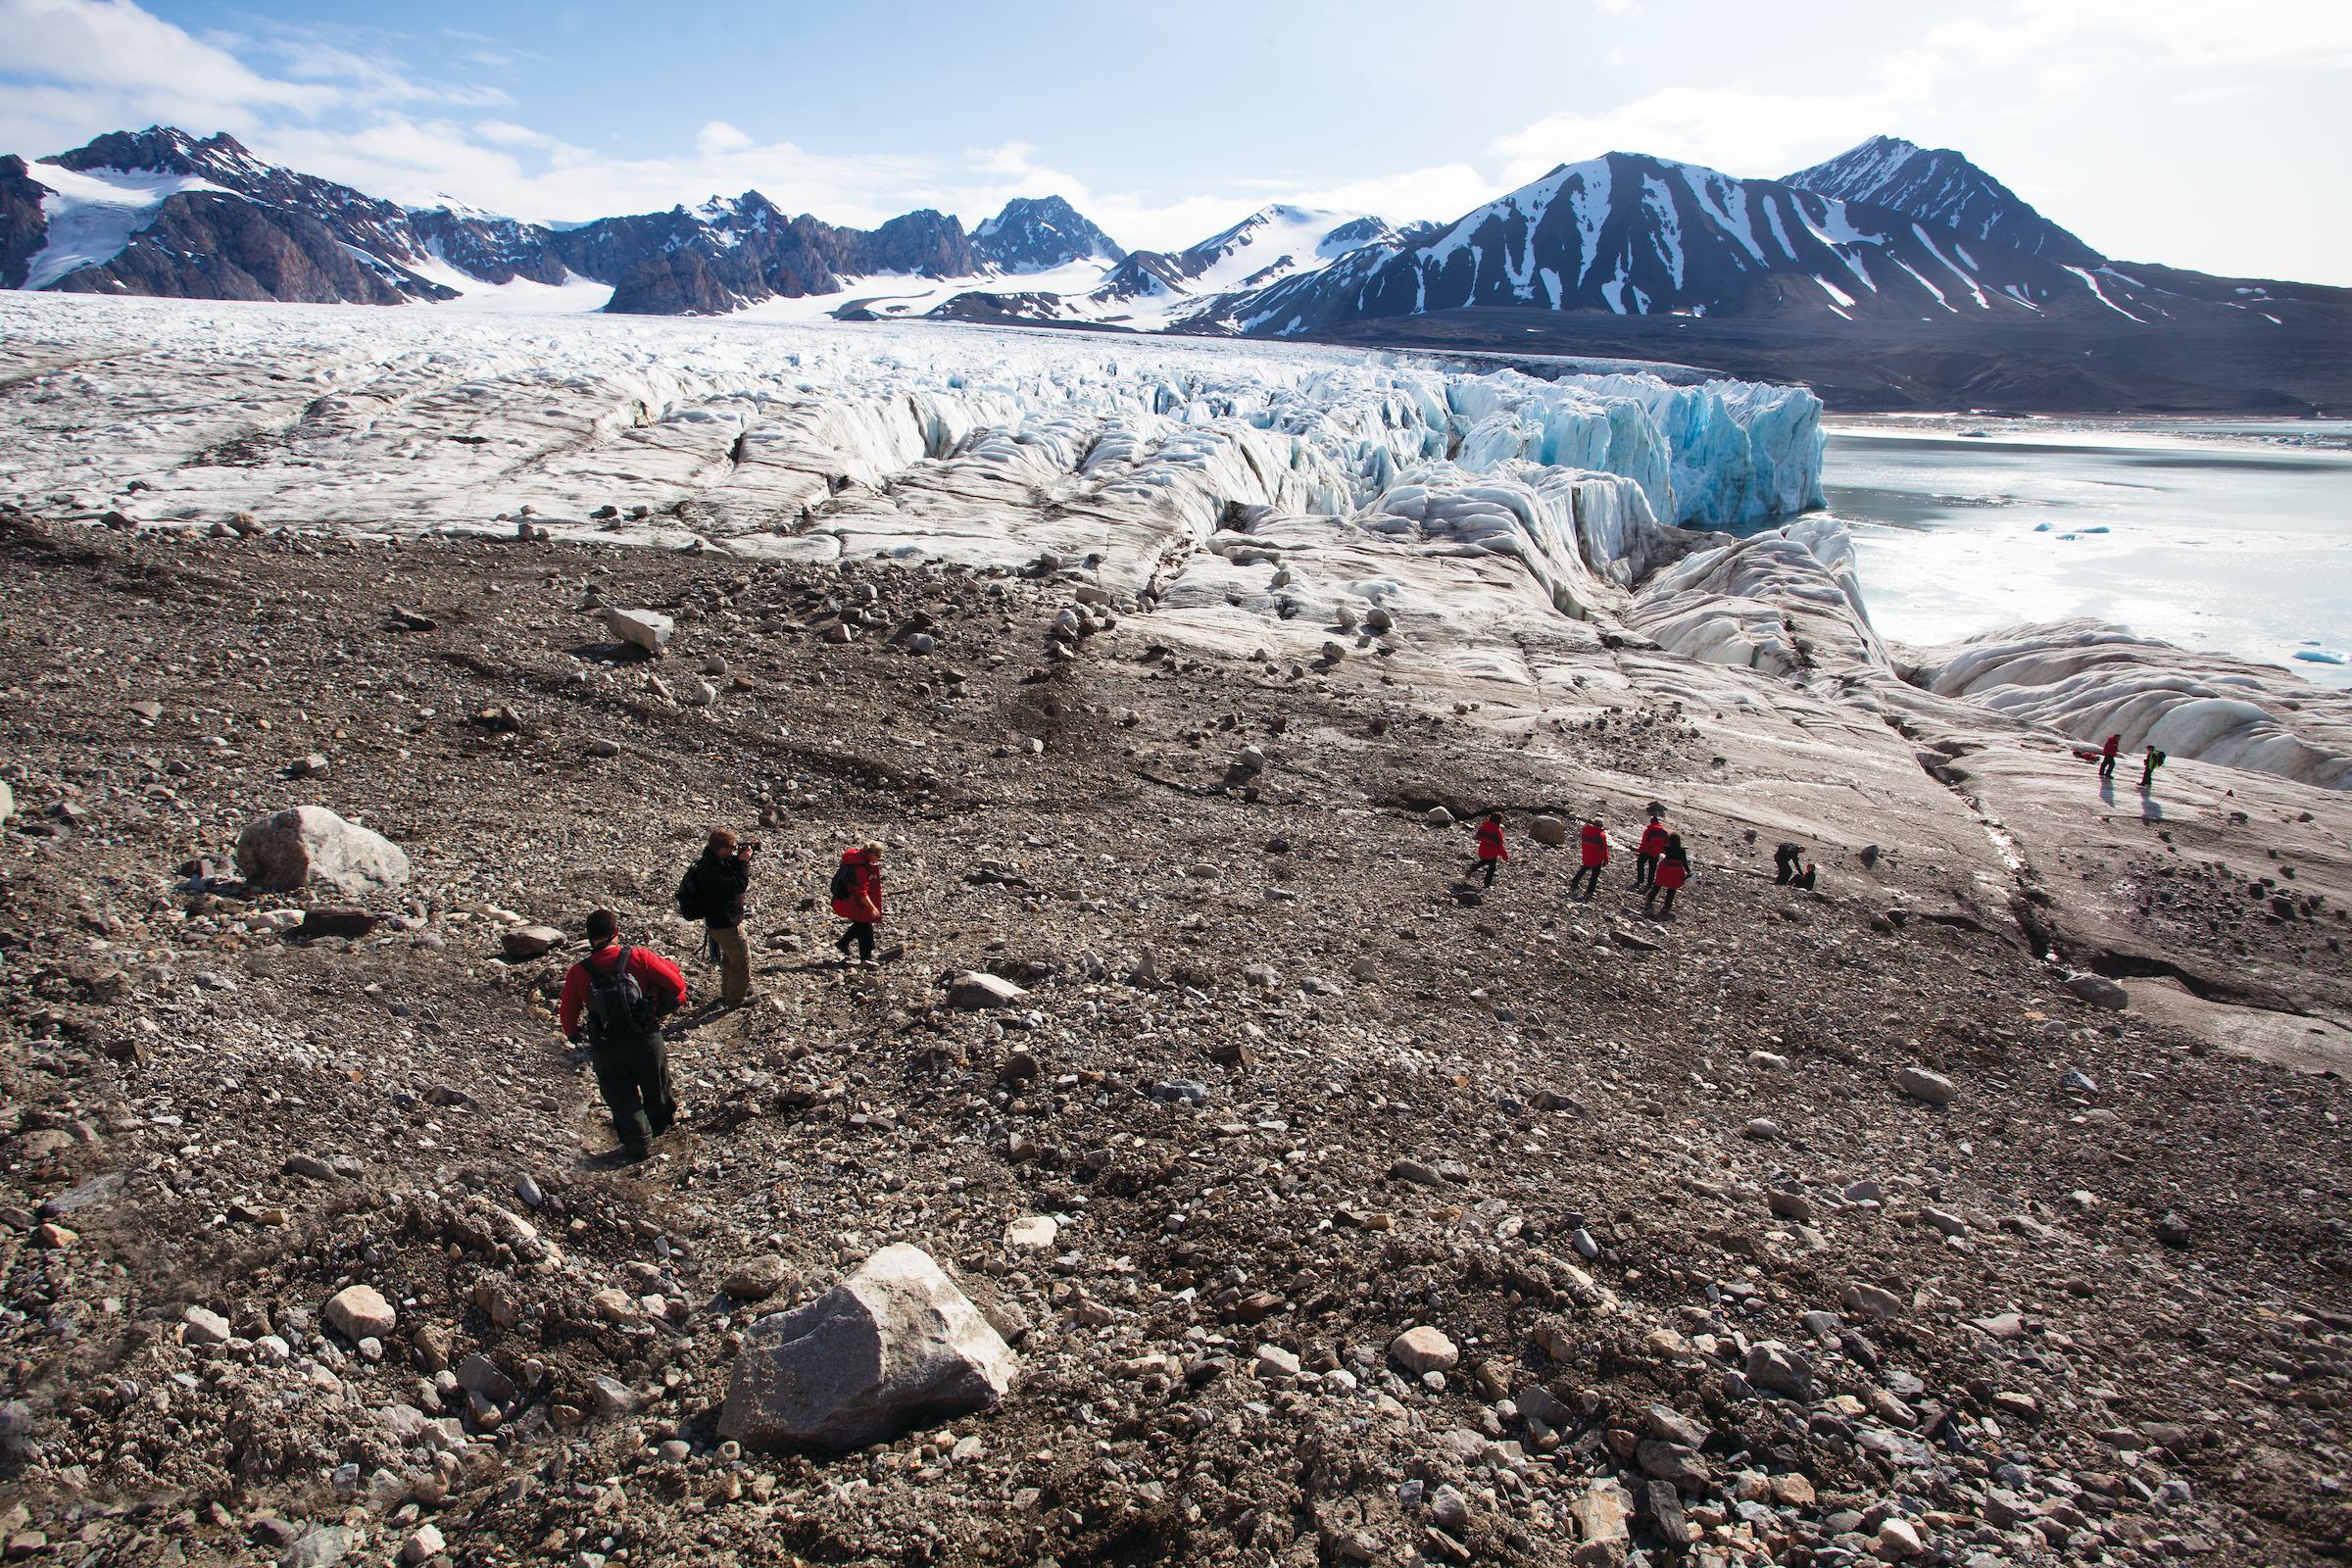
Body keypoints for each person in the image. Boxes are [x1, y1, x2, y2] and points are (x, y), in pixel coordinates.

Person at [558, 909, 686, 1163]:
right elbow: (677, 987)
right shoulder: (639, 956)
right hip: (646, 1037)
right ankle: (661, 1129)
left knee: (619, 1094)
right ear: (616, 932)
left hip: (606, 1047)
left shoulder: (578, 972)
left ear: (588, 936)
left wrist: (575, 1035)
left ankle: (638, 1145)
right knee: (656, 1085)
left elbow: (568, 1021)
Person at [677, 828, 756, 1005]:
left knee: (730, 958)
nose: (734, 851)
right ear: (722, 850)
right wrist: (743, 863)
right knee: (741, 959)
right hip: (726, 924)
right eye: (732, 848)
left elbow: (728, 868)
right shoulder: (712, 872)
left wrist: (741, 858)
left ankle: (731, 989)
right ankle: (736, 999)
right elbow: (739, 885)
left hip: (717, 923)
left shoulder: (710, 863)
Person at [831, 841, 884, 964]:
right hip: (856, 903)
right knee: (865, 928)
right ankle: (866, 957)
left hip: (850, 900)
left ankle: (842, 943)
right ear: (871, 854)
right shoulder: (860, 868)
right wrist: (872, 908)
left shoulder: (855, 859)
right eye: (878, 856)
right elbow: (862, 892)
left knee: (860, 924)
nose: (878, 859)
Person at [1645, 833, 1690, 918]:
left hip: (1666, 868)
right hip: (1676, 870)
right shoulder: (1682, 850)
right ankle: (1667, 905)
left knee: (1658, 884)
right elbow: (1684, 862)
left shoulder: (1667, 848)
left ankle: (1651, 898)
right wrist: (1689, 872)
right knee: (1672, 888)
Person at [1570, 817, 1610, 900]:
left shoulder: (1585, 831)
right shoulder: (1601, 836)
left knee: (1584, 868)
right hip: (1596, 858)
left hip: (1586, 855)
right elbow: (1603, 849)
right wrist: (1605, 859)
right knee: (1594, 875)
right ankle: (1589, 892)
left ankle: (1574, 881)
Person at [1635, 811, 1669, 891]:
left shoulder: (1649, 830)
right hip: (1656, 852)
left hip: (1647, 852)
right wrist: (1662, 851)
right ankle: (1650, 883)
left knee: (1640, 863)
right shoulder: (1664, 832)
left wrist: (1643, 851)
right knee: (1652, 868)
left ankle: (1640, 880)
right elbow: (1667, 844)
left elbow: (1645, 842)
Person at [1473, 812, 1508, 888]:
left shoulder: (1483, 826)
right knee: (1492, 868)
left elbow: (1477, 837)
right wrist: (1505, 856)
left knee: (1484, 861)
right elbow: (1499, 846)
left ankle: (1473, 868)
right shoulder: (1497, 831)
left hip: (1482, 849)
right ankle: (1487, 883)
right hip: (1492, 852)